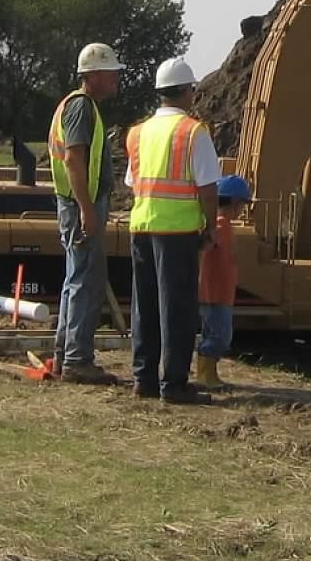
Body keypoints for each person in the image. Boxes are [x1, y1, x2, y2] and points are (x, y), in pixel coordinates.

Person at [125, 57, 220, 404]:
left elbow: (132, 181)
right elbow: (209, 188)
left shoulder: (137, 132)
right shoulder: (193, 132)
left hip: (142, 226)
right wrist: (211, 227)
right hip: (177, 232)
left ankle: (143, 379)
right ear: (186, 91)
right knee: (177, 308)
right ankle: (175, 385)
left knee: (145, 306)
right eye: (193, 88)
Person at [47, 42, 123, 384]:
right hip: (80, 205)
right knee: (84, 282)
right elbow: (74, 159)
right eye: (111, 73)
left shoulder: (79, 105)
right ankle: (77, 359)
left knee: (75, 280)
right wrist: (86, 208)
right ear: (93, 75)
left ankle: (66, 355)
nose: (116, 79)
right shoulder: (81, 108)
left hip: (76, 204)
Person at [195, 173, 249, 387]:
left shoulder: (223, 225)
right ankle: (205, 375)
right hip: (215, 293)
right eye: (243, 204)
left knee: (217, 333)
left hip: (218, 293)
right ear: (235, 203)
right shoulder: (220, 225)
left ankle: (209, 373)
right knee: (220, 336)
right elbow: (204, 247)